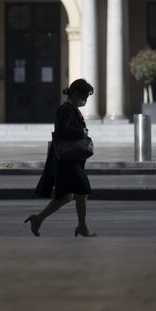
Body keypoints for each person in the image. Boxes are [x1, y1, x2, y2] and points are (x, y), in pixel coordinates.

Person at [25, 78, 96, 237]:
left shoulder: (71, 109)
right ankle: (82, 227)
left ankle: (38, 219)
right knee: (82, 189)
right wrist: (81, 133)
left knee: (66, 196)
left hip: (70, 158)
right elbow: (62, 130)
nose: (85, 101)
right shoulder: (66, 109)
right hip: (66, 159)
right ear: (76, 94)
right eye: (84, 97)